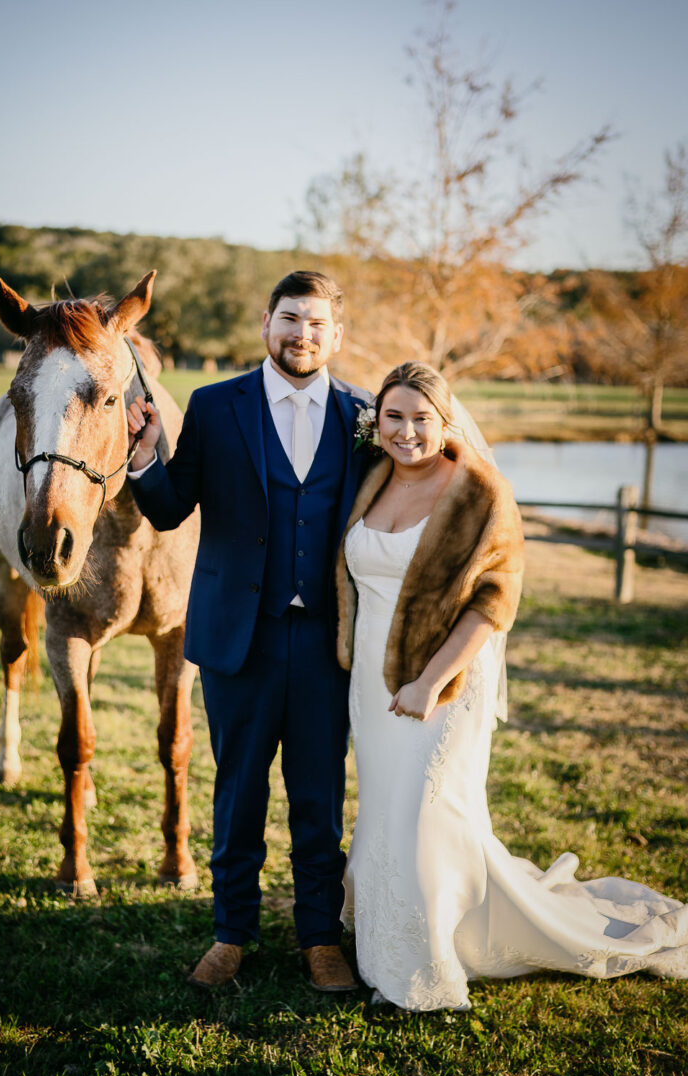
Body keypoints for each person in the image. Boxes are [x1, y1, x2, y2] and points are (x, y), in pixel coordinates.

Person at [335, 361, 688, 1011]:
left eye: (422, 419)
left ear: (447, 423)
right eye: (393, 417)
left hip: (441, 685)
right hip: (373, 689)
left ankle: (423, 968)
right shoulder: (374, 480)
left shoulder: (477, 492)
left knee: (426, 813)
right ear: (375, 423)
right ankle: (398, 930)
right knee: (386, 812)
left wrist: (428, 682)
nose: (407, 431)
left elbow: (493, 603)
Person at [126, 271, 372, 990]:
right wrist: (145, 455)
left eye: (318, 324)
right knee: (237, 794)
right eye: (291, 319)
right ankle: (231, 935)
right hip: (239, 639)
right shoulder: (212, 406)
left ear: (336, 335)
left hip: (328, 644)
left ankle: (319, 939)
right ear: (267, 323)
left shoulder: (364, 416)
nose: (304, 334)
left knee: (319, 797)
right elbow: (171, 508)